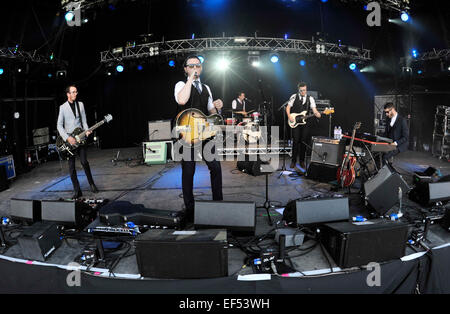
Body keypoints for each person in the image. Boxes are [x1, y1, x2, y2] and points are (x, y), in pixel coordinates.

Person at [174, 55, 224, 222]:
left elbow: (212, 114)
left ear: (201, 68)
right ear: (186, 69)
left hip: (204, 132)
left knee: (216, 167)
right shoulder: (181, 85)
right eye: (191, 65)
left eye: (198, 65)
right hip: (186, 133)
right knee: (189, 171)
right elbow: (182, 100)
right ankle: (190, 209)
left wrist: (217, 108)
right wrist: (190, 79)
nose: (195, 67)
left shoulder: (206, 88)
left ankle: (219, 203)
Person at [57, 85, 98, 199]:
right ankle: (77, 190)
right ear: (68, 94)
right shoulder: (63, 107)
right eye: (73, 92)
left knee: (84, 162)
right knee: (72, 168)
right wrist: (67, 138)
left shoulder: (80, 104)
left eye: (76, 92)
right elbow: (59, 126)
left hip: (81, 139)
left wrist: (87, 130)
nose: (75, 94)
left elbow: (84, 121)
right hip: (70, 142)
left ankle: (92, 184)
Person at [286, 82, 321, 170]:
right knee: (296, 141)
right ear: (298, 90)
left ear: (306, 89)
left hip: (305, 123)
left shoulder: (310, 98)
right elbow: (288, 107)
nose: (303, 92)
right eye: (301, 90)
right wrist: (289, 116)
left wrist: (318, 114)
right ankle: (293, 161)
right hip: (295, 122)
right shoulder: (294, 96)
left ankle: (301, 161)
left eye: (304, 90)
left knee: (303, 142)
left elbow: (314, 110)